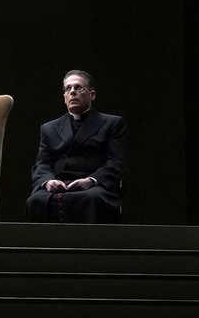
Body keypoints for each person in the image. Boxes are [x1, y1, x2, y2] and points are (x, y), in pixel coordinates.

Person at [26, 68, 126, 222]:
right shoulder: (49, 128)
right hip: (59, 183)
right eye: (68, 89)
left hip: (94, 185)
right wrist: (48, 181)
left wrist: (91, 180)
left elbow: (115, 162)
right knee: (36, 200)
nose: (72, 92)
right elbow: (42, 164)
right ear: (64, 96)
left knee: (90, 198)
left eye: (78, 88)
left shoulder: (112, 123)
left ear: (92, 94)